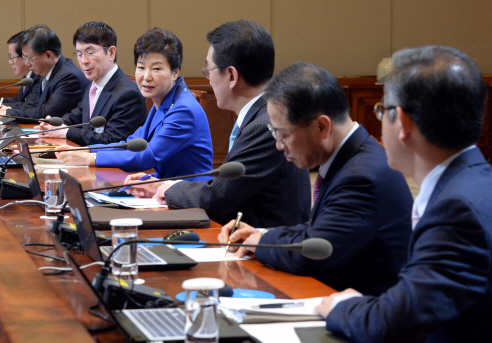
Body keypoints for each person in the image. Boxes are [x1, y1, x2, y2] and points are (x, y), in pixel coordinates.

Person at [314, 46, 492, 343]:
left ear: (404, 123)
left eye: (382, 111)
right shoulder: (474, 182)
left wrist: (342, 306)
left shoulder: (456, 211)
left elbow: (395, 322)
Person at [218, 62, 413, 296]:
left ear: (321, 126)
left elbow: (311, 254)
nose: (279, 146)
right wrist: (261, 235)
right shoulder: (355, 155)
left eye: (283, 134)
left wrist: (260, 243)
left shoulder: (361, 177)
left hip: (364, 315)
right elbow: (320, 228)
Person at [126, 20, 311, 227]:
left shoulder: (264, 127)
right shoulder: (262, 115)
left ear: (231, 75)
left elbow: (219, 198)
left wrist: (167, 190)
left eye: (209, 69)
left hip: (261, 250)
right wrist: (162, 185)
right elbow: (227, 187)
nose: (208, 78)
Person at [56, 28, 213, 181]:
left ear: (175, 72)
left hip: (189, 198)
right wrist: (85, 150)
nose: (146, 77)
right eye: (141, 67)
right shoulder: (164, 101)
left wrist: (91, 157)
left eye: (156, 69)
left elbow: (147, 156)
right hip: (164, 190)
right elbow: (130, 143)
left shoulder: (183, 110)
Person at [34, 22, 147, 146]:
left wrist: (66, 132)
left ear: (111, 53)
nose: (83, 61)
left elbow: (114, 140)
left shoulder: (127, 94)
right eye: (79, 54)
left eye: (90, 53)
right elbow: (76, 117)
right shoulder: (94, 85)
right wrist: (53, 124)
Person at [0, 24, 90, 121]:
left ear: (48, 55)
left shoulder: (69, 76)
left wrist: (5, 114)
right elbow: (33, 106)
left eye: (29, 59)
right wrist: (6, 109)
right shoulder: (48, 72)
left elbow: (46, 113)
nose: (27, 64)